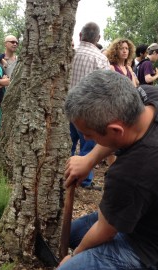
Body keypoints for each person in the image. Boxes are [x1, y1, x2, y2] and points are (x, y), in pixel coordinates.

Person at [53, 70, 158, 270]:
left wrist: (73, 257)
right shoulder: (152, 97)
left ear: (116, 130)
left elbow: (105, 230)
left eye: (88, 135)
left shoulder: (133, 172)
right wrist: (89, 160)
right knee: (73, 233)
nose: (85, 139)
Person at [69, 22, 110, 191]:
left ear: (80, 35)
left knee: (68, 143)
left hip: (66, 106)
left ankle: (66, 173)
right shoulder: (100, 58)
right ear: (98, 38)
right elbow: (106, 88)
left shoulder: (69, 54)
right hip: (88, 111)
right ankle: (84, 180)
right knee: (88, 145)